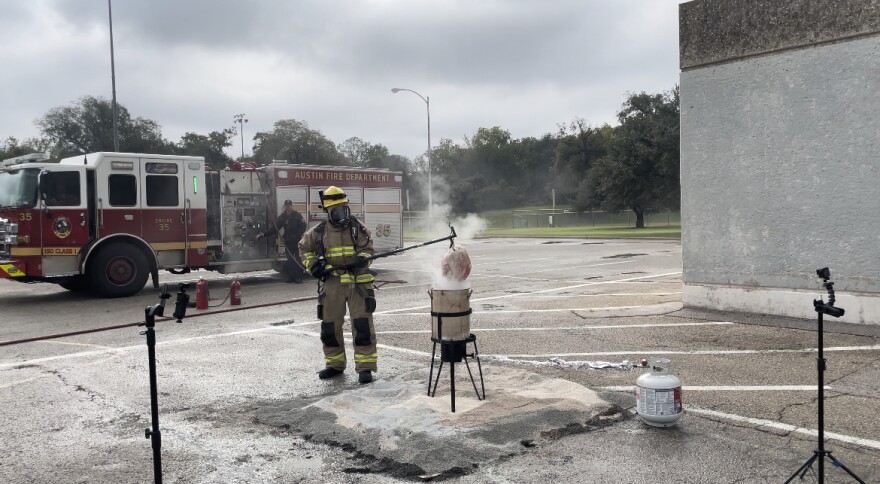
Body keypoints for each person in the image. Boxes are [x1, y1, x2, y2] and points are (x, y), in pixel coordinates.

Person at [298, 186, 377, 384]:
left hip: (358, 284)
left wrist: (362, 259)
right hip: (332, 284)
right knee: (330, 327)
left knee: (362, 326)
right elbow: (303, 249)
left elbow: (368, 249)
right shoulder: (317, 233)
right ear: (328, 211)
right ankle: (334, 364)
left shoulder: (358, 228)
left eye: (344, 208)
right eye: (337, 209)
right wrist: (314, 265)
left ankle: (365, 368)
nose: (341, 213)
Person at [258, 199, 307, 283]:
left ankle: (298, 277)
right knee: (290, 260)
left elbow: (303, 225)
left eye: (289, 205)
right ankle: (291, 277)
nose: (288, 207)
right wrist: (263, 234)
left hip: (297, 241)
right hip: (288, 241)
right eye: (286, 205)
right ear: (284, 206)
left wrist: (298, 234)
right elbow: (275, 228)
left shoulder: (297, 215)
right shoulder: (282, 217)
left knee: (298, 260)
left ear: (292, 206)